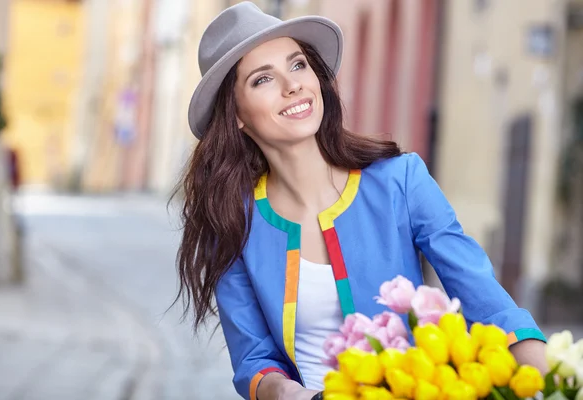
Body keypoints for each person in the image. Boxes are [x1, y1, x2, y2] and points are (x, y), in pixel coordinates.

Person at [173, 2, 547, 400]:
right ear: (236, 117)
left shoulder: (401, 181)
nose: (293, 85)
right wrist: (288, 393)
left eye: (298, 65)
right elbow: (254, 359)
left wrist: (556, 381)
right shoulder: (233, 224)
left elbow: (491, 308)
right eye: (263, 79)